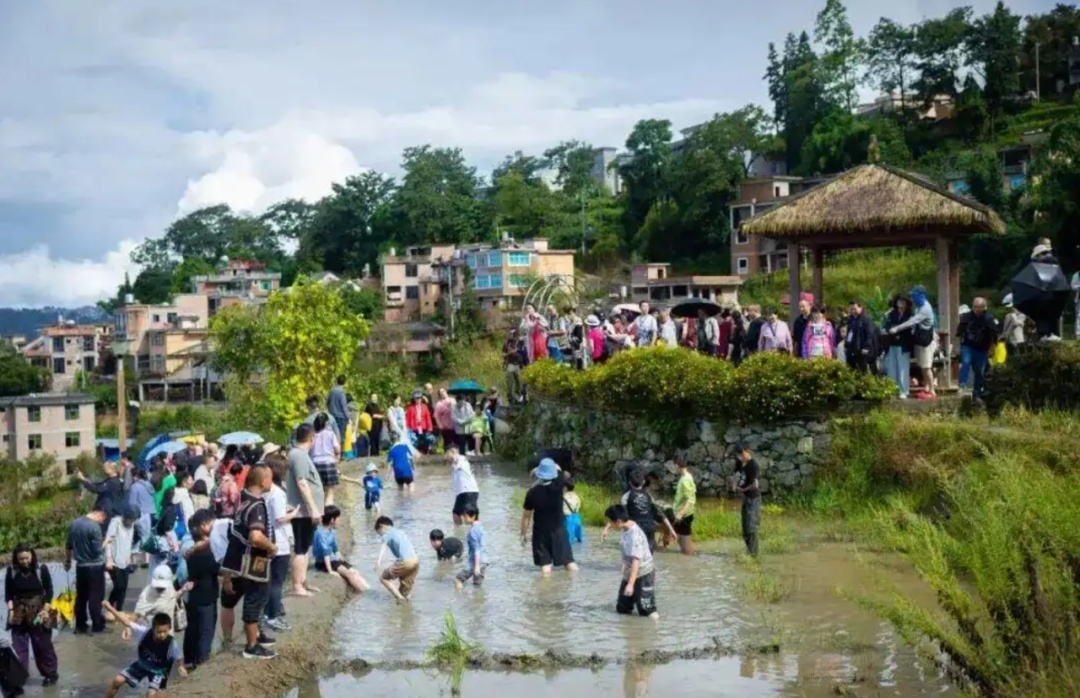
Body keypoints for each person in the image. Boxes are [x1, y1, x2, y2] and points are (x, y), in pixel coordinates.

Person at [220, 462, 278, 660]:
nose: (272, 481)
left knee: (230, 601)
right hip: (251, 565)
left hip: (234, 561)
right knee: (254, 601)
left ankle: (232, 640)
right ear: (263, 481)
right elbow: (255, 536)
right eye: (270, 477)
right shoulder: (257, 505)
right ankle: (251, 646)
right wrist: (271, 547)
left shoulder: (243, 499)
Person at [4, 543, 58, 686]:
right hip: (18, 611)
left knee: (43, 646)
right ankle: (19, 679)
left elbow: (50, 591)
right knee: (18, 647)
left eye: (27, 558)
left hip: (40, 609)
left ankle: (50, 674)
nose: (24, 561)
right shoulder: (11, 571)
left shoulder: (41, 569)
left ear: (32, 556)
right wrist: (10, 611)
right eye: (21, 559)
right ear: (16, 558)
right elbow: (8, 594)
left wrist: (46, 610)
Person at [101, 608, 185, 697]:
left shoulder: (172, 644)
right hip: (143, 664)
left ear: (169, 629)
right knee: (117, 680)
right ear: (153, 629)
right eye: (159, 632)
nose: (162, 635)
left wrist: (181, 666)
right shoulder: (144, 632)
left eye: (165, 632)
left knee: (151, 695)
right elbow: (126, 622)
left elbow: (179, 657)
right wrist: (109, 606)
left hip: (159, 671)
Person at [286, 424, 324, 598]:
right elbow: (302, 482)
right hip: (302, 512)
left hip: (305, 512)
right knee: (301, 549)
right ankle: (297, 586)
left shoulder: (300, 455)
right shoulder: (299, 456)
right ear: (312, 438)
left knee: (306, 547)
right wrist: (313, 508)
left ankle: (303, 581)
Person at [521, 459, 578, 576]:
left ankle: (546, 591)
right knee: (569, 563)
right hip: (559, 531)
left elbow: (526, 516)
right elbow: (558, 468)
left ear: (539, 475)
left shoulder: (532, 493)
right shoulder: (559, 485)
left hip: (540, 535)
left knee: (545, 568)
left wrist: (523, 534)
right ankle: (577, 586)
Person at [604, 505, 658, 619]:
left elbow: (636, 561)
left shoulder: (634, 535)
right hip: (630, 572)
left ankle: (653, 629)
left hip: (644, 573)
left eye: (610, 522)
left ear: (618, 522)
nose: (609, 524)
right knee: (622, 608)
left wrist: (630, 584)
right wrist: (607, 529)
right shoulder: (625, 525)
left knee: (646, 610)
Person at [606, 468, 677, 552]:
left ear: (629, 483)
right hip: (650, 528)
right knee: (648, 555)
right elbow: (660, 514)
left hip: (636, 529)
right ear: (643, 482)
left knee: (635, 556)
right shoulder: (648, 496)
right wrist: (672, 530)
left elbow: (621, 516)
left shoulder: (626, 497)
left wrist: (607, 528)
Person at [263, 453, 296, 633]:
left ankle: (268, 614)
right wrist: (293, 514)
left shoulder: (268, 491)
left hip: (271, 539)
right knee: (277, 582)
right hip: (279, 541)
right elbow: (280, 518)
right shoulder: (277, 492)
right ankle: (272, 617)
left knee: (271, 580)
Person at [181, 510, 218, 669]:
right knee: (206, 631)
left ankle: (189, 660)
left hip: (193, 595)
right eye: (212, 524)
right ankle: (202, 663)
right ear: (204, 527)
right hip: (207, 596)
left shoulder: (189, 548)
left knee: (192, 629)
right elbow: (218, 570)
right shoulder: (208, 552)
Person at [888, 285, 937, 398]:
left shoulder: (925, 308)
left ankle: (932, 390)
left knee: (926, 367)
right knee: (922, 367)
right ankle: (927, 389)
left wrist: (896, 328)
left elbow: (912, 322)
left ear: (921, 296)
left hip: (926, 342)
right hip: (920, 341)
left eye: (914, 296)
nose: (913, 298)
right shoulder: (918, 307)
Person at [65, 505, 107, 633]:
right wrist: (107, 541)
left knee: (81, 597)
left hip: (80, 566)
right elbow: (97, 551)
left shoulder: (74, 524)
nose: (102, 523)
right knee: (95, 596)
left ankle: (81, 625)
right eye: (103, 520)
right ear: (99, 514)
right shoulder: (94, 527)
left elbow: (68, 545)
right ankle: (97, 625)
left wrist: (67, 561)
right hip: (95, 567)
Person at [313, 505, 370, 593]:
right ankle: (364, 593)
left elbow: (335, 549)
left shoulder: (332, 531)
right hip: (323, 562)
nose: (339, 520)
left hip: (333, 560)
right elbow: (325, 552)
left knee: (355, 571)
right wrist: (330, 570)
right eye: (338, 518)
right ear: (332, 520)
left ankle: (369, 590)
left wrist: (342, 562)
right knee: (349, 574)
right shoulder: (320, 533)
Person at [957, 297, 998, 402]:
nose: (977, 309)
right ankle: (962, 384)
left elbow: (994, 335)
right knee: (965, 362)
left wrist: (992, 348)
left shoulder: (988, 318)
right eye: (975, 307)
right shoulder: (966, 317)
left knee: (979, 371)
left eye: (980, 307)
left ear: (984, 307)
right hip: (968, 346)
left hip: (982, 348)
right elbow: (959, 332)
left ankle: (977, 392)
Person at [374, 516, 420, 603]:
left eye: (379, 533)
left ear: (382, 526)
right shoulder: (400, 532)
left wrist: (378, 561)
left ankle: (400, 598)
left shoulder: (387, 533)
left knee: (383, 578)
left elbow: (383, 546)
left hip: (405, 561)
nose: (381, 535)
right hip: (416, 562)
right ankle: (406, 608)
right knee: (405, 593)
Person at [105, 504, 140, 612]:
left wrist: (131, 556)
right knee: (119, 586)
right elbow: (108, 541)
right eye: (131, 519)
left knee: (124, 588)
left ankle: (119, 611)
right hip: (114, 561)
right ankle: (109, 607)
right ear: (126, 517)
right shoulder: (116, 522)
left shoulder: (132, 524)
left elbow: (129, 541)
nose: (132, 522)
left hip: (125, 560)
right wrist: (109, 559)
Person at [883, 296, 914, 399]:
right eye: (899, 301)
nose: (901, 303)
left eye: (903, 301)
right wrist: (890, 331)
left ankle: (904, 391)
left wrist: (897, 330)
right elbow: (887, 326)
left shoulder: (910, 315)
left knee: (903, 368)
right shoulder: (891, 314)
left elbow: (909, 329)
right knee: (892, 367)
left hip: (903, 344)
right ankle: (892, 389)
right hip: (892, 343)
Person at [734, 444, 761, 557]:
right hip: (745, 498)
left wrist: (743, 489)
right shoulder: (739, 463)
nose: (740, 457)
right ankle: (749, 552)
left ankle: (754, 555)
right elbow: (735, 474)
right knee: (745, 529)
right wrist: (734, 485)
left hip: (753, 499)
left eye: (742, 454)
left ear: (747, 451)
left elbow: (755, 485)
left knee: (751, 527)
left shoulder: (753, 465)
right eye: (738, 455)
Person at [454, 504, 488, 591]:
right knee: (477, 584)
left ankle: (460, 600)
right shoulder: (481, 528)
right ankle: (477, 602)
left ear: (473, 516)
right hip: (484, 560)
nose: (463, 519)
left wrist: (476, 566)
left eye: (465, 516)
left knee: (458, 579)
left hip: (475, 562)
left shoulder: (472, 532)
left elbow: (476, 550)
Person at [311, 414, 341, 507]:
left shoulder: (312, 435)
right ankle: (329, 515)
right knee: (330, 492)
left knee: (318, 491)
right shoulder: (330, 434)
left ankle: (319, 512)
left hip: (315, 463)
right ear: (326, 423)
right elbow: (337, 450)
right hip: (329, 463)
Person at [448, 446, 480, 526]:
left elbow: (459, 459)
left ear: (454, 453)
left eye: (449, 455)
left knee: (469, 515)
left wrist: (455, 457)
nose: (448, 458)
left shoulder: (462, 460)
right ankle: (459, 533)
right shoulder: (454, 465)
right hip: (461, 493)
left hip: (469, 491)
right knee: (456, 513)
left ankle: (477, 532)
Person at [844, 301, 878, 373]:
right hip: (852, 349)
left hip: (862, 350)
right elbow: (849, 334)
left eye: (855, 309)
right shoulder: (851, 320)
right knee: (851, 371)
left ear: (860, 307)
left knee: (864, 372)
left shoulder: (866, 319)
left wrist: (867, 347)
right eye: (851, 309)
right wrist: (846, 345)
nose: (853, 311)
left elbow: (870, 334)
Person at [671, 462, 696, 555]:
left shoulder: (685, 480)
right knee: (680, 537)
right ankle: (685, 555)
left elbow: (690, 499)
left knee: (685, 538)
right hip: (682, 512)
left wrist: (680, 514)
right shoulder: (687, 476)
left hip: (684, 514)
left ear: (678, 467)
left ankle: (689, 556)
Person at [127, 468, 156, 548]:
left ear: (135, 476)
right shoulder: (149, 485)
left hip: (142, 514)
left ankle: (142, 555)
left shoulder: (134, 487)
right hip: (152, 513)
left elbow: (132, 503)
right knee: (149, 535)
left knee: (142, 537)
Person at [503, 330, 524, 402]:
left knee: (519, 381)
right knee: (509, 381)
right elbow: (503, 354)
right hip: (510, 363)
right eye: (510, 334)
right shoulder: (506, 344)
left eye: (513, 334)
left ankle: (518, 395)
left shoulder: (519, 342)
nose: (511, 336)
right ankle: (510, 397)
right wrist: (510, 353)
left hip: (519, 364)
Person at [327, 375, 350, 440]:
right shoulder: (342, 392)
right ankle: (340, 450)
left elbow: (327, 402)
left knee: (332, 437)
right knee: (341, 437)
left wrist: (330, 411)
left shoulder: (332, 391)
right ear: (345, 383)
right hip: (341, 418)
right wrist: (348, 418)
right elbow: (344, 406)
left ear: (337, 381)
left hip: (332, 416)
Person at [563, 479, 583, 544]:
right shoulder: (577, 497)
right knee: (579, 540)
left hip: (566, 519)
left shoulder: (563, 497)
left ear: (565, 488)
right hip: (576, 518)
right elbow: (578, 507)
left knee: (567, 541)